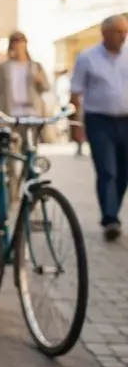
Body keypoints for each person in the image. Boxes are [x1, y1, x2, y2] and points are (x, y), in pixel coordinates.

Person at [70, 14, 128, 241]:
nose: (123, 37)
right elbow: (76, 92)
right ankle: (110, 218)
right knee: (107, 170)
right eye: (119, 32)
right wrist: (76, 125)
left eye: (125, 32)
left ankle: (111, 210)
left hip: (126, 121)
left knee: (123, 171)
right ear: (105, 33)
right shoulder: (87, 58)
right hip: (99, 122)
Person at [0, 31, 51, 200]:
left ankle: (28, 190)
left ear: (26, 44)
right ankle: (12, 191)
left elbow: (46, 87)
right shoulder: (3, 67)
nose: (17, 44)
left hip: (32, 116)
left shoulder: (35, 66)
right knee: (9, 156)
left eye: (20, 41)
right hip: (10, 116)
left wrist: (40, 80)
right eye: (14, 41)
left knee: (29, 156)